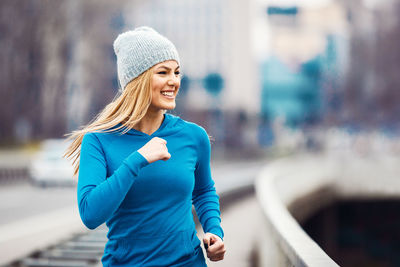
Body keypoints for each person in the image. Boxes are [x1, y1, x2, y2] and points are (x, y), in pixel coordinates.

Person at [64, 26, 226, 266]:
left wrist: (214, 230)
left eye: (177, 72)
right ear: (137, 81)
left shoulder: (193, 136)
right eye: (163, 72)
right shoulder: (98, 140)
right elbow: (90, 214)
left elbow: (203, 191)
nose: (174, 81)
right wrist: (137, 160)